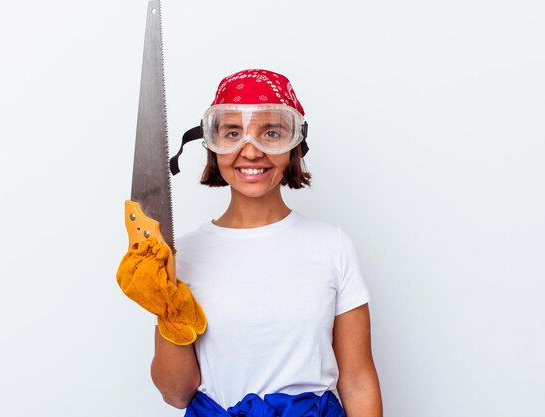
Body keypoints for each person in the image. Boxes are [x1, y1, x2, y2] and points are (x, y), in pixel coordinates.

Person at [150, 69, 383, 416]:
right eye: (232, 133)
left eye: (270, 133)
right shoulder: (180, 255)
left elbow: (358, 380)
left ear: (294, 144)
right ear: (212, 145)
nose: (251, 151)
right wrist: (166, 305)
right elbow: (176, 393)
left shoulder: (332, 247)